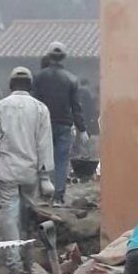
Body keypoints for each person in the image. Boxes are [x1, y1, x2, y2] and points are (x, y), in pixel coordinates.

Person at [0, 66, 54, 274]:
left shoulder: (0, 108)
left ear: (10, 85)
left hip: (7, 172)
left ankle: (14, 266)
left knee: (9, 218)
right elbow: (44, 145)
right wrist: (45, 175)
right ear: (30, 85)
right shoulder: (40, 109)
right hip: (30, 173)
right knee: (28, 215)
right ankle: (29, 261)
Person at [33, 41, 89, 204]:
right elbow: (76, 107)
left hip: (43, 124)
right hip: (64, 125)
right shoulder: (71, 79)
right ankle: (58, 197)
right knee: (61, 161)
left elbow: (35, 102)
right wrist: (82, 129)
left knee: (43, 160)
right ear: (64, 57)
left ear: (49, 56)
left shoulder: (39, 77)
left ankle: (44, 194)